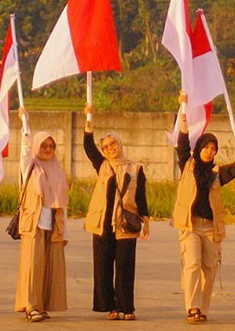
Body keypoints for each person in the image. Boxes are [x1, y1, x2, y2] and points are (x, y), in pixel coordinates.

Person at [171, 92, 235, 323]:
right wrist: (183, 110)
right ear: (199, 148)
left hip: (211, 227)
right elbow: (182, 143)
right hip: (190, 225)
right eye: (206, 147)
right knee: (192, 264)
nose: (209, 151)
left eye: (214, 149)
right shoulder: (187, 164)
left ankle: (202, 308)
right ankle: (192, 308)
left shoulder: (215, 172)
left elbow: (229, 173)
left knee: (209, 268)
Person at [83, 103, 150, 321]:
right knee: (102, 267)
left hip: (126, 223)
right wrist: (89, 120)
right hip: (102, 222)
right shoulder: (102, 165)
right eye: (107, 146)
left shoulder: (135, 168)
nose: (111, 148)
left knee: (125, 267)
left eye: (113, 144)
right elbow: (88, 146)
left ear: (120, 144)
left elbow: (141, 197)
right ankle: (109, 306)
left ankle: (126, 307)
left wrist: (146, 222)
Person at [14, 108, 69, 323]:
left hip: (53, 225)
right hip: (34, 223)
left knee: (49, 267)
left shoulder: (57, 168)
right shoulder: (31, 166)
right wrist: (25, 124)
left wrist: (63, 231)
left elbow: (62, 203)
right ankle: (30, 305)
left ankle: (43, 304)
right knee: (32, 267)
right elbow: (25, 153)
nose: (47, 149)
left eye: (51, 146)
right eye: (44, 146)